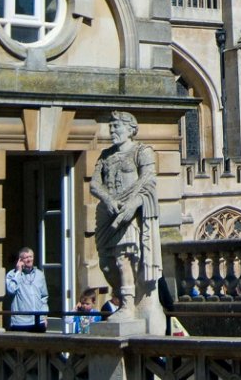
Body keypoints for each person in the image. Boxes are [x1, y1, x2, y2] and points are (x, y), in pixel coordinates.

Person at [92, 110, 160, 322]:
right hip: (108, 214)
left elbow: (148, 183)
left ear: (130, 129)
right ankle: (124, 297)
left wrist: (132, 206)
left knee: (123, 259)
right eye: (110, 127)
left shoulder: (142, 151)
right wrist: (108, 200)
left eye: (116, 127)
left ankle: (128, 306)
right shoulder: (105, 155)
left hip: (130, 213)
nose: (112, 131)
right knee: (106, 263)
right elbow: (94, 183)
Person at [4, 247, 48, 332]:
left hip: (38, 321)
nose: (29, 259)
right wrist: (18, 272)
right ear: (20, 260)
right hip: (20, 323)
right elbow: (11, 290)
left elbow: (44, 297)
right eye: (26, 257)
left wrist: (44, 316)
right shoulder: (12, 274)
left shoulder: (40, 274)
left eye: (31, 257)